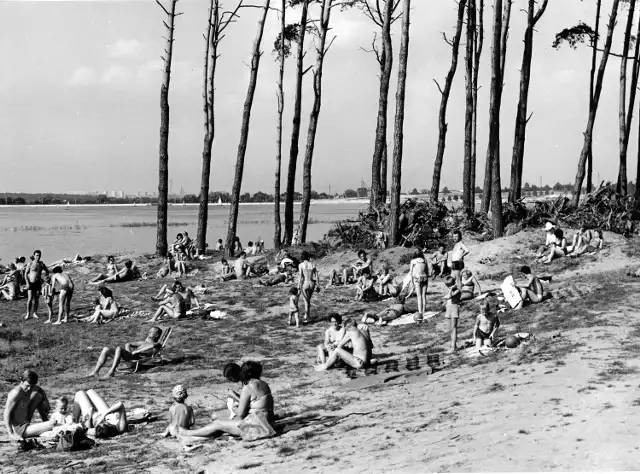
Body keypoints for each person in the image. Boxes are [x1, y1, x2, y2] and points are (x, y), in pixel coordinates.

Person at [178, 361, 276, 442]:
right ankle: (196, 437)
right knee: (220, 424)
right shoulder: (263, 384)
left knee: (218, 423)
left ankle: (188, 433)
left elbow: (241, 414)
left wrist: (233, 406)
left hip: (257, 427)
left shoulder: (248, 387)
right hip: (268, 423)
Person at [87, 327, 163, 378]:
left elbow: (151, 346)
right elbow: (128, 344)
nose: (149, 332)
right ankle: (95, 372)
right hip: (131, 356)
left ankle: (111, 372)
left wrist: (138, 351)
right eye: (150, 331)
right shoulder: (142, 342)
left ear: (157, 335)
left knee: (119, 348)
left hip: (137, 358)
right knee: (106, 349)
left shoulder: (158, 344)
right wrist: (128, 350)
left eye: (152, 331)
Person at [4, 370, 54, 440]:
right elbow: (7, 413)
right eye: (27, 386)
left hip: (26, 422)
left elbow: (39, 389)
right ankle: (47, 424)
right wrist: (11, 433)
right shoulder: (16, 393)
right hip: (20, 430)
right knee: (53, 424)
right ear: (22, 382)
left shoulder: (30, 387)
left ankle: (45, 421)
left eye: (32, 386)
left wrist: (46, 400)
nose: (29, 389)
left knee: (38, 395)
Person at [24, 249, 49, 320]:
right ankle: (28, 313)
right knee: (30, 299)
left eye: (39, 255)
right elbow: (25, 274)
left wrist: (44, 279)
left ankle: (35, 312)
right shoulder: (30, 264)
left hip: (38, 283)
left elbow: (47, 271)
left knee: (36, 299)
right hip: (31, 283)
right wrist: (27, 282)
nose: (38, 257)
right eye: (37, 255)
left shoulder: (41, 264)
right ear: (34, 256)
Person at [298, 251, 319, 323]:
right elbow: (317, 275)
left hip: (305, 284)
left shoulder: (301, 265)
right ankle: (308, 315)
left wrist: (298, 286)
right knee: (308, 300)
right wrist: (318, 285)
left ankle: (307, 317)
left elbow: (300, 277)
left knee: (305, 301)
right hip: (312, 284)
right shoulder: (312, 264)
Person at [444, 276, 461, 353]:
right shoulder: (450, 291)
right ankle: (454, 345)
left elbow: (450, 296)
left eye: (450, 285)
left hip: (454, 309)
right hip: (449, 309)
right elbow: (447, 297)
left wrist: (451, 289)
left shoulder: (457, 290)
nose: (449, 287)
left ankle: (453, 348)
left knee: (454, 328)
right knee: (450, 329)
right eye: (448, 286)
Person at [409, 250, 428, 317]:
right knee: (424, 296)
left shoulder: (413, 261)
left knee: (419, 296)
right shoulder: (425, 260)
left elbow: (411, 272)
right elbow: (427, 271)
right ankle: (424, 312)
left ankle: (420, 313)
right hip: (425, 277)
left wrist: (411, 282)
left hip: (417, 278)